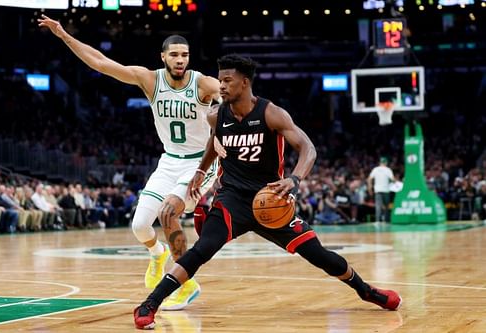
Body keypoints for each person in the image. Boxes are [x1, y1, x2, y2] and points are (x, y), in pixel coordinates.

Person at [133, 54, 401, 329]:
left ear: (245, 83)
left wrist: (295, 179)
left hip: (271, 199)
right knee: (202, 250)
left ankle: (366, 290)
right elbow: (214, 142)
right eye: (220, 79)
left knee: (320, 256)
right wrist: (201, 171)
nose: (221, 86)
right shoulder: (216, 115)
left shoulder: (271, 113)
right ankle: (150, 303)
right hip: (232, 199)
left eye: (228, 80)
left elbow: (308, 147)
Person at [38, 15, 220, 310]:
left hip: (199, 163)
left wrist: (224, 129)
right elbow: (100, 62)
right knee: (138, 226)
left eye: (184, 55)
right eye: (174, 54)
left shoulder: (203, 83)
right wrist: (64, 36)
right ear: (163, 57)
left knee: (168, 213)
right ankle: (158, 253)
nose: (180, 60)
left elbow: (234, 102)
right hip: (169, 161)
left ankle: (186, 284)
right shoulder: (150, 79)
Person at [367, 157, 395, 222]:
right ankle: (387, 220)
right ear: (386, 163)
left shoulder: (375, 169)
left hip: (378, 190)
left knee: (378, 206)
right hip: (386, 190)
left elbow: (369, 179)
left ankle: (378, 221)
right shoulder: (388, 169)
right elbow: (393, 179)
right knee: (386, 206)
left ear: (380, 162)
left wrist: (370, 188)